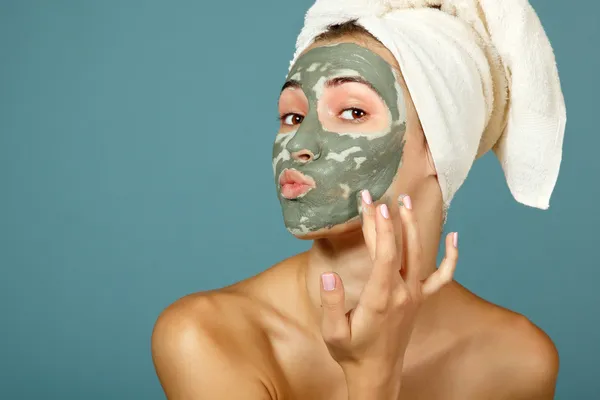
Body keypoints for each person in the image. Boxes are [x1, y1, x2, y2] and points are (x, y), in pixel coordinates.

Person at [151, 1, 566, 399]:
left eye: (352, 112)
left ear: (441, 150)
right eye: (293, 116)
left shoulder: (517, 360)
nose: (300, 143)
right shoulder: (209, 335)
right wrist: (373, 379)